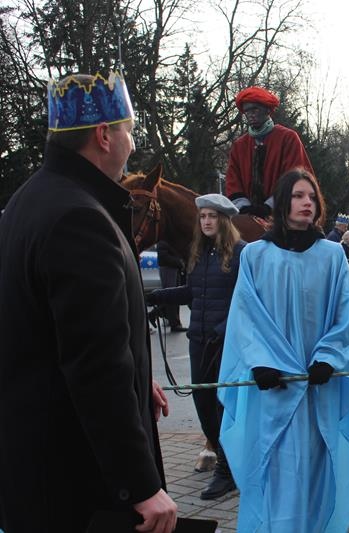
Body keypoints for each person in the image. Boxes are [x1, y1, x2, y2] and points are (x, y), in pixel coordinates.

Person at [0, 72, 177, 532]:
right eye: (129, 131)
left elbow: (50, 334)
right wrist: (139, 484)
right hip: (77, 485)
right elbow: (95, 365)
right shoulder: (81, 218)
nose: (132, 145)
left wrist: (137, 378)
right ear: (103, 135)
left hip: (34, 473)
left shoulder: (29, 200)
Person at [217, 169, 349, 532]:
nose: (308, 202)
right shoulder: (255, 256)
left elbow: (347, 315)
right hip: (274, 390)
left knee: (316, 471)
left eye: (312, 197)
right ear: (282, 202)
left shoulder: (332, 256)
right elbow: (246, 317)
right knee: (276, 471)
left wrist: (328, 357)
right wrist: (261, 362)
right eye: (298, 196)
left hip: (319, 391)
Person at [146, 194, 246, 500]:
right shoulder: (199, 252)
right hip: (199, 342)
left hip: (225, 344)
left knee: (223, 406)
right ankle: (224, 461)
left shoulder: (240, 252)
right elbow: (192, 293)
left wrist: (222, 330)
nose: (206, 221)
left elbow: (246, 300)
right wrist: (155, 297)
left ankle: (227, 472)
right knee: (203, 406)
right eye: (202, 216)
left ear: (224, 220)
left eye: (212, 216)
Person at [224, 86, 313, 217]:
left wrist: (270, 206)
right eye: (246, 111)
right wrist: (244, 207)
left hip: (285, 215)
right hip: (246, 216)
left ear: (267, 110)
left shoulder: (288, 138)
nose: (250, 114)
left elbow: (296, 177)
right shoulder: (239, 145)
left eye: (255, 109)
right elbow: (233, 181)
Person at [156, 241, 188, 332]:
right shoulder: (163, 241)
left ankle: (171, 320)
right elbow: (163, 257)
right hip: (168, 269)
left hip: (174, 268)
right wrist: (179, 262)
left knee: (174, 297)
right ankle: (174, 323)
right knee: (171, 297)